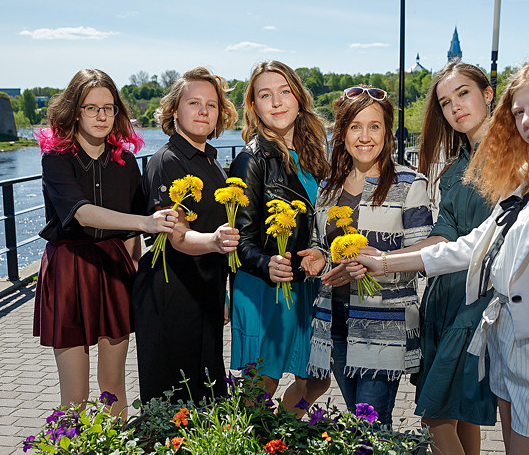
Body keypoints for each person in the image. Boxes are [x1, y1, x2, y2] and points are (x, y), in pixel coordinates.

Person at [361, 58, 529, 455]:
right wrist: (382, 262)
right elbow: (467, 247)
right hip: (506, 347)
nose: (528, 120)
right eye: (519, 112)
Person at [33, 69, 171, 413]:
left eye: (108, 108)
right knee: (75, 396)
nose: (101, 116)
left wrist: (138, 279)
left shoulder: (125, 163)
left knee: (113, 388)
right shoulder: (56, 160)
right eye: (91, 107)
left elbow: (130, 236)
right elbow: (82, 213)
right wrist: (145, 222)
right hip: (69, 271)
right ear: (75, 111)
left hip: (113, 270)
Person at [312, 86, 434, 428]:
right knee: (360, 425)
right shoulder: (328, 187)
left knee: (371, 429)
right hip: (334, 324)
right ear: (342, 133)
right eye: (355, 127)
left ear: (388, 131)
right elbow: (321, 245)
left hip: (385, 328)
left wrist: (376, 262)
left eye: (374, 126)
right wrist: (316, 260)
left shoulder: (410, 184)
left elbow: (424, 256)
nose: (364, 137)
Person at [404, 62, 500, 455]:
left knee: (436, 415)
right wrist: (387, 255)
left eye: (463, 94)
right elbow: (443, 234)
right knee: (457, 416)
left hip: (477, 303)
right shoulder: (456, 167)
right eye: (445, 102)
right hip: (443, 301)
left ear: (489, 93)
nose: (455, 107)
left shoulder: (516, 160)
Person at [227, 61, 334, 410]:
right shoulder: (250, 160)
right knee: (262, 383)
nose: (277, 102)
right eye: (265, 95)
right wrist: (266, 264)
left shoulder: (313, 155)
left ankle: (280, 436)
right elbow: (238, 238)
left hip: (303, 280)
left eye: (284, 91)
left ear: (299, 98)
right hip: (265, 283)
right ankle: (250, 454)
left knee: (316, 378)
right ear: (254, 107)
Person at [133, 66, 242, 404]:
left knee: (205, 394)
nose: (204, 111)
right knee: (174, 401)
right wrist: (214, 241)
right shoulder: (167, 161)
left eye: (211, 104)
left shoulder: (210, 160)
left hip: (204, 290)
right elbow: (177, 234)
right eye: (193, 102)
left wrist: (220, 292)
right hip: (171, 293)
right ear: (174, 111)